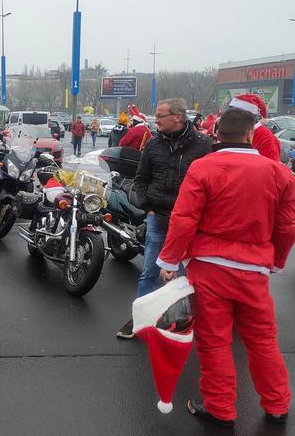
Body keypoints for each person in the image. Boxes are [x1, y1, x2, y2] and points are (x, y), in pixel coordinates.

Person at [156, 108, 295, 427]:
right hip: (254, 271)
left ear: (217, 135)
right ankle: (277, 405)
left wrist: (169, 260)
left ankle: (221, 409)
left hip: (209, 269)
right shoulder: (278, 173)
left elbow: (184, 218)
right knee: (262, 340)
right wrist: (276, 261)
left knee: (214, 341)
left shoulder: (203, 168)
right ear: (250, 135)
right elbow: (287, 225)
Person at [116, 97, 212, 339]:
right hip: (157, 218)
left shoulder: (204, 145)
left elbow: (214, 183)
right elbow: (141, 178)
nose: (155, 119)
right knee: (149, 271)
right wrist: (147, 206)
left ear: (177, 117)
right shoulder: (153, 143)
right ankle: (141, 320)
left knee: (189, 275)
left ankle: (181, 322)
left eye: (160, 116)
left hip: (192, 223)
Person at [229, 93, 281, 161]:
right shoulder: (238, 132)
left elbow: (271, 168)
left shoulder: (266, 139)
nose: (229, 118)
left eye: (233, 114)